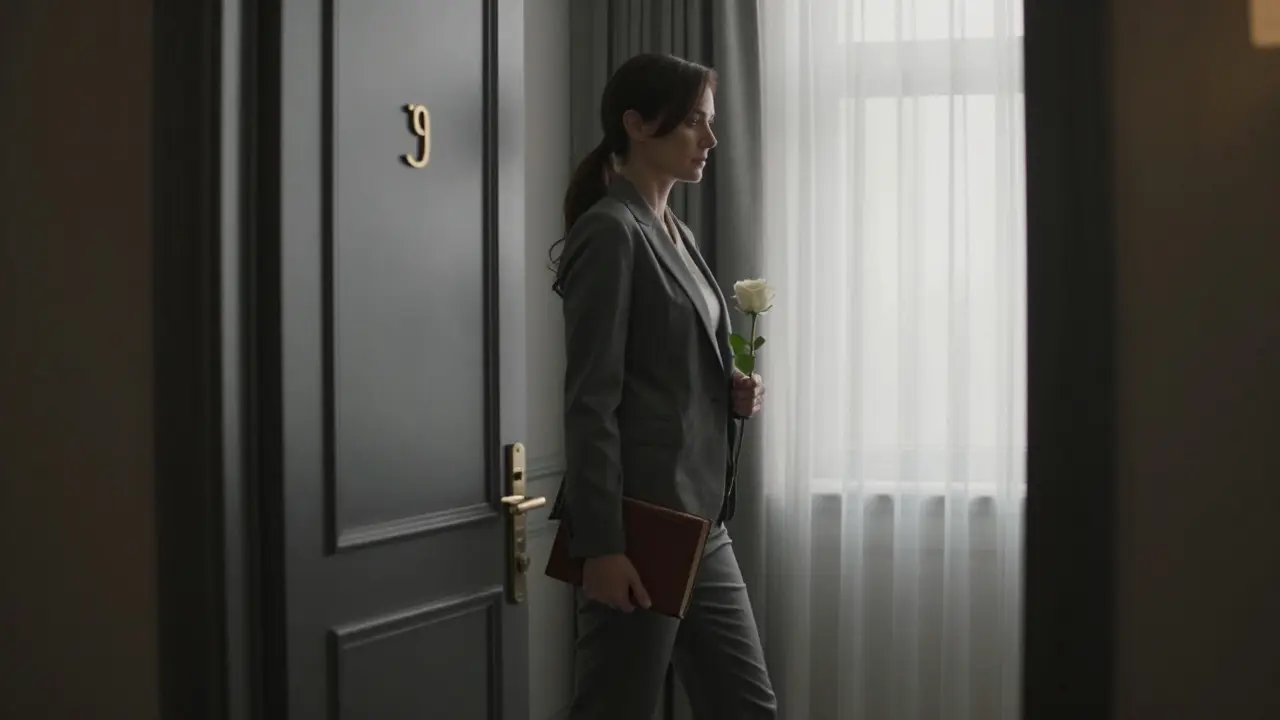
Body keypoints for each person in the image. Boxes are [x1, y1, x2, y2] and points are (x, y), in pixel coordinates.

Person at [546, 52, 777, 720]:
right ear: (637, 125)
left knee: (748, 707)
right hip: (638, 528)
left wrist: (729, 387)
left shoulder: (677, 232)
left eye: (709, 124)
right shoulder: (610, 232)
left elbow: (666, 368)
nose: (710, 140)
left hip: (702, 523)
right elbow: (591, 400)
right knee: (617, 708)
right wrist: (603, 547)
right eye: (694, 124)